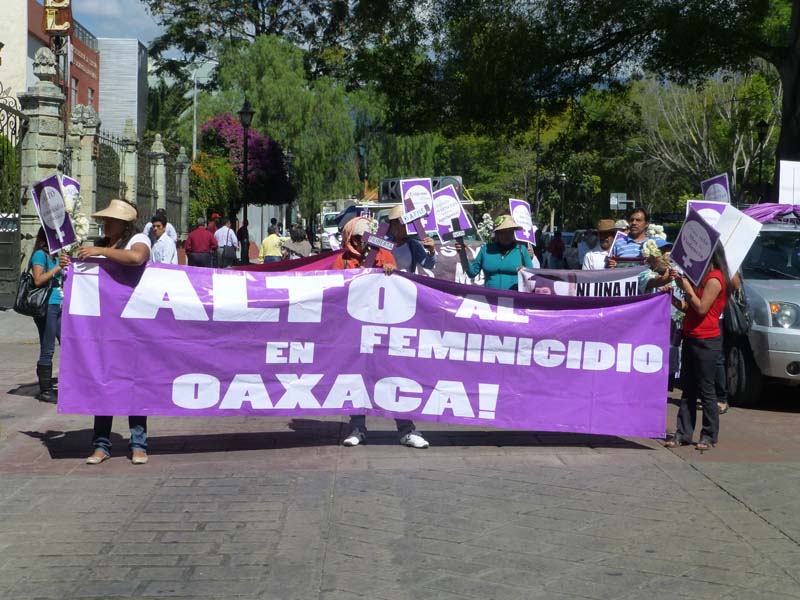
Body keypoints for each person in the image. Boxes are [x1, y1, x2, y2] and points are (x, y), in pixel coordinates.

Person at [332, 217, 429, 449]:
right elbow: (335, 290)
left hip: (385, 329)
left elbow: (396, 281)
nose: (361, 242)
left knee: (394, 376)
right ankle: (357, 428)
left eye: (364, 237)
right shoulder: (342, 261)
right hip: (355, 331)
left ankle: (406, 431)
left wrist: (389, 271)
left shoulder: (384, 254)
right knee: (356, 379)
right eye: (356, 237)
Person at [73, 199, 152, 465]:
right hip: (105, 327)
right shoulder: (105, 245)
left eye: (110, 220)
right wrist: (72, 265)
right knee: (103, 382)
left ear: (124, 224)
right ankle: (101, 444)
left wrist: (99, 252)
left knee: (134, 383)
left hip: (132, 327)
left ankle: (138, 443)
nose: (105, 224)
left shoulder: (138, 239)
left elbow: (137, 258)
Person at [666, 245, 731, 451]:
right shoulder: (700, 278)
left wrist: (686, 288)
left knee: (706, 390)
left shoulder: (715, 278)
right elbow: (688, 308)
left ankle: (709, 435)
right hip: (691, 336)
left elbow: (702, 308)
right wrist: (674, 297)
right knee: (688, 389)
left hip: (707, 340)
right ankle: (683, 433)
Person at [30, 227, 69, 403]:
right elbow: (38, 280)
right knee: (48, 347)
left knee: (68, 342)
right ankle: (45, 390)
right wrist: (58, 268)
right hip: (46, 306)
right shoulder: (40, 254)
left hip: (58, 305)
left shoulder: (54, 255)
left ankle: (69, 382)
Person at [458, 215, 533, 290]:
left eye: (510, 231)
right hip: (490, 298)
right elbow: (472, 273)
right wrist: (462, 255)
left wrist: (525, 272)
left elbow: (532, 277)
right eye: (503, 232)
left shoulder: (522, 251)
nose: (507, 235)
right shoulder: (486, 249)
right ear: (497, 234)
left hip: (514, 299)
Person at [386, 204, 436, 272]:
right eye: (405, 224)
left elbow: (428, 265)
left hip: (405, 282)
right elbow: (371, 266)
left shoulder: (414, 245)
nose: (408, 227)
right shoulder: (381, 242)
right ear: (394, 224)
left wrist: (431, 251)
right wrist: (382, 266)